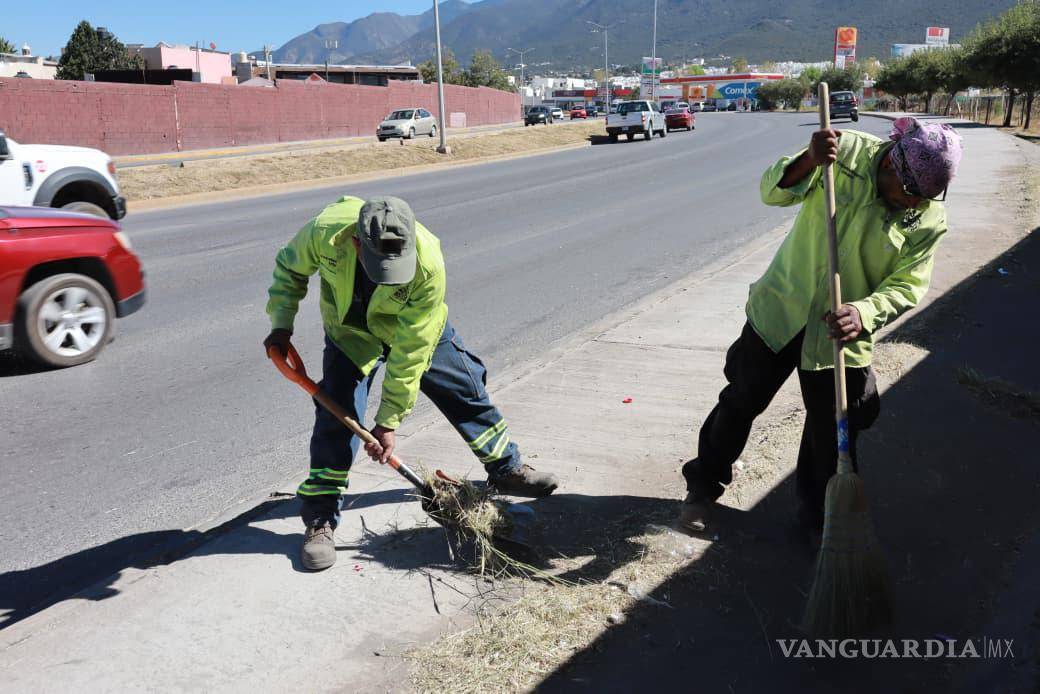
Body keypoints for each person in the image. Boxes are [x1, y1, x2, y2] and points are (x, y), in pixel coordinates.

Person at [679, 117, 963, 533]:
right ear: (889, 167)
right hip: (781, 310)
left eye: (928, 197)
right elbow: (770, 192)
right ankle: (702, 490)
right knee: (741, 401)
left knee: (831, 431)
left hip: (840, 333)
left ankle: (819, 521)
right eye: (910, 194)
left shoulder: (929, 217)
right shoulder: (842, 152)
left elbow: (909, 283)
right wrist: (808, 161)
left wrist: (865, 312)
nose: (916, 205)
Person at [265, 195, 558, 570]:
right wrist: (280, 324)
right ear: (356, 242)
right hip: (351, 335)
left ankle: (507, 468)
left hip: (420, 333)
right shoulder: (324, 233)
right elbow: (289, 271)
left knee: (465, 391)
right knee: (335, 422)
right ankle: (320, 518)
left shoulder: (428, 261)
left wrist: (388, 422)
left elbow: (410, 353)